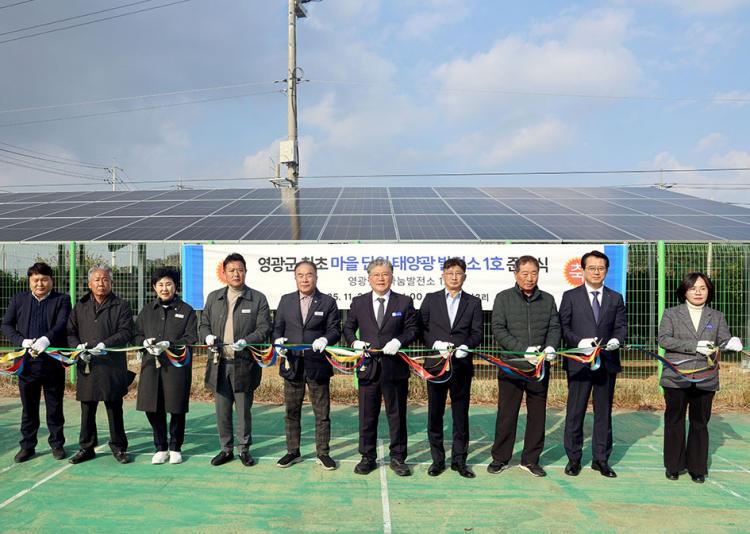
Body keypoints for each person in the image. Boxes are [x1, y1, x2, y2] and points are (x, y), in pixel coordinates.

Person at [658, 272, 743, 483]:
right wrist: (694, 346)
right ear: (684, 291)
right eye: (693, 288)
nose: (698, 292)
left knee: (700, 423)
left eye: (703, 288)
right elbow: (664, 340)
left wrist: (731, 343)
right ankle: (674, 466)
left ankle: (697, 468)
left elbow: (723, 340)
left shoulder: (717, 316)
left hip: (706, 377)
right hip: (676, 377)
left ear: (709, 291)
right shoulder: (671, 314)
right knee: (674, 421)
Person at [343, 258, 418, 477]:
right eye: (376, 275)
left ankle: (398, 457)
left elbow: (413, 329)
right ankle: (367, 457)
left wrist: (399, 341)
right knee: (367, 416)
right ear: (369, 278)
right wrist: (354, 342)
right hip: (368, 368)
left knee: (397, 416)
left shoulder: (404, 302)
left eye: (385, 274)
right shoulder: (359, 302)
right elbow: (348, 328)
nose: (381, 278)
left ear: (392, 277)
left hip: (395, 368)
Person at [488, 255, 560, 477]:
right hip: (512, 366)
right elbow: (498, 329)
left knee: (537, 415)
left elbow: (554, 327)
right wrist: (523, 350)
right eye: (525, 273)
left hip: (538, 368)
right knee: (507, 414)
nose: (529, 278)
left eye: (534, 273)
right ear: (516, 274)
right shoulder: (503, 298)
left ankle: (530, 460)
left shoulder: (548, 300)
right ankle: (500, 458)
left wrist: (550, 347)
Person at [199, 253, 271, 467]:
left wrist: (247, 341)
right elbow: (203, 325)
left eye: (240, 270)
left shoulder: (257, 298)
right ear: (224, 273)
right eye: (231, 270)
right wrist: (207, 336)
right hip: (219, 363)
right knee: (222, 411)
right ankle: (226, 449)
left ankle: (244, 449)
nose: (236, 274)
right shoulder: (214, 298)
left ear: (245, 272)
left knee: (243, 411)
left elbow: (264, 328)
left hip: (244, 364)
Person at [559, 250, 627, 478]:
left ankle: (601, 459)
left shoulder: (615, 298)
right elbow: (563, 327)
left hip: (606, 363)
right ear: (583, 270)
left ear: (606, 271)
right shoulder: (570, 296)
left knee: (603, 413)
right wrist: (579, 342)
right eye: (592, 268)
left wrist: (617, 340)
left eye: (601, 268)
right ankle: (574, 459)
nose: (596, 272)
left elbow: (621, 326)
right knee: (575, 412)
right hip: (579, 363)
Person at [272, 260, 341, 470]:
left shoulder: (327, 302)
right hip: (292, 363)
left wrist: (325, 339)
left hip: (317, 364)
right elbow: (277, 328)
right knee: (292, 411)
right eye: (300, 275)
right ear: (295, 278)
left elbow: (335, 330)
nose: (305, 279)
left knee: (322, 413)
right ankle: (293, 451)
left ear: (316, 277)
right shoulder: (286, 301)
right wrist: (277, 342)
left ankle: (323, 453)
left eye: (309, 275)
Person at [2, 262, 71, 463]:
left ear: (51, 281)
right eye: (36, 280)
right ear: (30, 281)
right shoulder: (19, 300)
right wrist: (21, 341)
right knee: (28, 408)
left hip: (52, 363)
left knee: (54, 406)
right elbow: (6, 325)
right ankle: (27, 446)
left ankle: (57, 444)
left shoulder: (62, 300)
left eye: (44, 280)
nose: (40, 284)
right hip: (27, 364)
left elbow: (62, 324)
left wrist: (46, 339)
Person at [420, 257, 483, 479]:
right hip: (436, 365)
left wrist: (467, 346)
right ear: (443, 276)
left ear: (464, 277)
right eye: (450, 273)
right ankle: (437, 460)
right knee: (435, 414)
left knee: (460, 415)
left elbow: (477, 332)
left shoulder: (473, 302)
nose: (454, 277)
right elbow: (421, 329)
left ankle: (459, 461)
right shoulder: (431, 299)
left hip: (461, 366)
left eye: (458, 273)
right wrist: (434, 344)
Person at [67, 264, 135, 465]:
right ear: (90, 284)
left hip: (111, 366)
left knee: (114, 407)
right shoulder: (80, 306)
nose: (101, 283)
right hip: (87, 365)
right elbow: (70, 332)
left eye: (105, 279)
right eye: (97, 279)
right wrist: (77, 347)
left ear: (111, 283)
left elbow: (126, 331)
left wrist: (106, 344)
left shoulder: (121, 305)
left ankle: (119, 447)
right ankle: (86, 447)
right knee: (87, 408)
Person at [134, 267, 198, 465]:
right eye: (160, 284)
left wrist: (170, 344)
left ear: (176, 286)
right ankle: (161, 447)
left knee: (176, 407)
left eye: (169, 284)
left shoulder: (186, 310)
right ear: (154, 287)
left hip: (176, 367)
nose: (164, 288)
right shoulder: (147, 310)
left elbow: (191, 337)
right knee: (152, 406)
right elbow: (136, 334)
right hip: (151, 367)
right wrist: (144, 342)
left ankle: (175, 447)